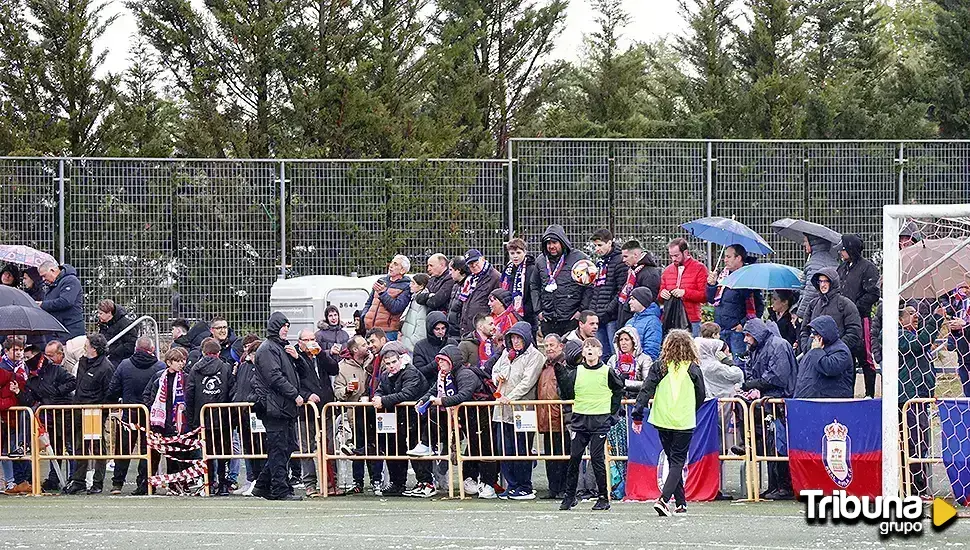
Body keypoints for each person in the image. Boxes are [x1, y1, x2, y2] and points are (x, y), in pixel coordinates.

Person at [631, 330, 706, 516]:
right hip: (683, 421)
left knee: (674, 461)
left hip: (662, 419)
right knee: (677, 461)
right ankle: (664, 500)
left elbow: (645, 391)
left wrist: (637, 415)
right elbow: (701, 395)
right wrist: (689, 409)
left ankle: (681, 503)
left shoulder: (659, 367)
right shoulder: (693, 369)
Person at [416, 344, 499, 499]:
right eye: (438, 360)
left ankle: (488, 483)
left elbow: (464, 395)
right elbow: (433, 391)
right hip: (466, 415)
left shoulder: (465, 374)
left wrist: (442, 401)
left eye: (442, 360)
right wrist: (422, 400)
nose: (439, 363)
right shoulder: (444, 376)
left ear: (451, 361)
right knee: (473, 447)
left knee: (484, 447)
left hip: (481, 414)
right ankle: (469, 478)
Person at [556, 338, 625, 511]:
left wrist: (612, 413)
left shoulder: (607, 371)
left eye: (594, 347)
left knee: (597, 458)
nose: (590, 350)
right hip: (580, 420)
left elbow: (618, 389)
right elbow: (566, 393)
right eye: (587, 347)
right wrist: (560, 374)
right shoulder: (577, 371)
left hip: (600, 420)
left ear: (600, 352)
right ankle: (569, 496)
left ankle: (603, 497)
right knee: (575, 458)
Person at [741, 319, 797, 500]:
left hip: (779, 401)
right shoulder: (759, 348)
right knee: (770, 445)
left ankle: (783, 485)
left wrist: (752, 385)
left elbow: (778, 376)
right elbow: (755, 372)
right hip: (769, 401)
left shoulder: (777, 346)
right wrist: (753, 387)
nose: (745, 340)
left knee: (779, 445)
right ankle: (775, 485)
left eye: (748, 335)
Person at [251, 312, 304, 501]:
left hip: (282, 407)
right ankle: (279, 489)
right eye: (283, 326)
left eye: (288, 327)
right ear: (275, 327)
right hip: (274, 407)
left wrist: (298, 358)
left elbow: (300, 373)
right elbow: (274, 377)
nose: (286, 330)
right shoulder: (268, 349)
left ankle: (263, 485)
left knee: (285, 447)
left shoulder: (281, 348)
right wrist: (294, 394)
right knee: (280, 448)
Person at [491, 321, 545, 500]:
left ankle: (525, 485)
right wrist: (496, 377)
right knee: (504, 449)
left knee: (521, 448)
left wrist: (510, 398)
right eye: (512, 338)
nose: (515, 341)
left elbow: (527, 382)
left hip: (523, 410)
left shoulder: (535, 356)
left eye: (518, 338)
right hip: (502, 410)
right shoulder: (507, 353)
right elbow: (495, 369)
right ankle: (512, 485)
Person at [107, 337, 165, 495]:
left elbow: (113, 389)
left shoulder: (125, 365)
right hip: (152, 416)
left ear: (136, 348)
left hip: (129, 413)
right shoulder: (160, 367)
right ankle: (146, 483)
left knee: (123, 449)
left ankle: (117, 484)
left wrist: (117, 400)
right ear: (152, 349)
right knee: (150, 450)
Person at [373, 349, 433, 496]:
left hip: (416, 416)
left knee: (416, 447)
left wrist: (383, 400)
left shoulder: (411, 372)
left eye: (394, 362)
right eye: (388, 363)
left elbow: (408, 394)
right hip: (398, 417)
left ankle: (425, 482)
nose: (391, 366)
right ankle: (397, 483)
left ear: (400, 360)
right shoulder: (386, 375)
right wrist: (377, 397)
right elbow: (380, 389)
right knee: (394, 448)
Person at [899, 305, 944, 496]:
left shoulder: (914, 334)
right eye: (910, 313)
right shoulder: (897, 335)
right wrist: (936, 320)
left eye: (916, 312)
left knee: (921, 443)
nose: (915, 315)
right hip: (907, 399)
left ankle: (918, 487)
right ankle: (914, 489)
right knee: (913, 443)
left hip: (920, 398)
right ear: (900, 318)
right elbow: (917, 344)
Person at [63, 334, 115, 495]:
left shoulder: (106, 367)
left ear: (94, 348)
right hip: (79, 409)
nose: (84, 347)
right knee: (79, 446)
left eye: (87, 344)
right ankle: (79, 481)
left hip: (95, 412)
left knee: (97, 447)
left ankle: (97, 482)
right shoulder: (83, 362)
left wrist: (102, 410)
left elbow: (109, 393)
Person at [604, 326, 651, 500]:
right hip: (617, 412)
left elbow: (647, 384)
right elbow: (607, 381)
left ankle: (638, 484)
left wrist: (624, 384)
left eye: (627, 340)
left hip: (638, 411)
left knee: (636, 450)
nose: (624, 343)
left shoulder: (644, 359)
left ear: (634, 341)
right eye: (621, 340)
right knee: (617, 451)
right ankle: (618, 486)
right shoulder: (612, 360)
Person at [24, 340, 76, 492]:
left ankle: (73, 477)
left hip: (65, 412)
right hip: (49, 415)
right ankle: (55, 478)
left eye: (28, 357)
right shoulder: (32, 377)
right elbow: (32, 397)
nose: (26, 361)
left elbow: (72, 382)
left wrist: (57, 392)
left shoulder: (55, 370)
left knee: (70, 446)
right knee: (54, 447)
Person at [185, 338, 234, 496]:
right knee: (223, 452)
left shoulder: (195, 369)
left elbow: (189, 395)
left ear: (203, 352)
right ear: (218, 353)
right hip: (222, 418)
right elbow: (232, 392)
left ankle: (209, 482)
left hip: (202, 418)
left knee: (207, 452)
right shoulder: (226, 368)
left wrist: (193, 419)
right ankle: (223, 484)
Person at [333, 335, 381, 494]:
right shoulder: (342, 367)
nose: (367, 346)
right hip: (354, 412)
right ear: (354, 350)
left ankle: (376, 480)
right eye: (363, 345)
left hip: (374, 411)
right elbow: (337, 390)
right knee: (358, 447)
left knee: (375, 446)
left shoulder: (373, 360)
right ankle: (358, 481)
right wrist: (346, 391)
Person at [294, 328, 339, 496]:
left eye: (313, 338)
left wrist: (321, 354)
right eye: (306, 339)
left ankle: (331, 483)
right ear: (300, 342)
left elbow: (334, 369)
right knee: (306, 448)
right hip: (306, 411)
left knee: (329, 447)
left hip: (326, 408)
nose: (311, 342)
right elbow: (294, 383)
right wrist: (306, 396)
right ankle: (310, 483)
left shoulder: (320, 355)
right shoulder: (296, 359)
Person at [142, 347, 192, 495]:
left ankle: (179, 483)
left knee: (179, 455)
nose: (181, 364)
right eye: (177, 361)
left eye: (182, 361)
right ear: (169, 362)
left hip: (179, 422)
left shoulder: (186, 378)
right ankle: (152, 484)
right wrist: (153, 409)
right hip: (161, 422)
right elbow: (148, 394)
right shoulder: (159, 378)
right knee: (159, 455)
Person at [837, 234, 880, 398]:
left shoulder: (868, 268)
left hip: (862, 320)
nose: (840, 251)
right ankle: (847, 396)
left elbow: (873, 294)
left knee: (865, 358)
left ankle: (869, 394)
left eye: (843, 248)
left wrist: (854, 308)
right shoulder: (841, 268)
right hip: (843, 322)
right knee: (846, 359)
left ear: (850, 248)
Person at [531, 225, 591, 337]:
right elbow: (534, 285)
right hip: (548, 318)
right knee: (552, 351)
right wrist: (538, 310)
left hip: (571, 317)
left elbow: (589, 286)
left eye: (554, 242)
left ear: (562, 242)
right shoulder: (541, 260)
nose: (551, 246)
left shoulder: (579, 258)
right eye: (548, 243)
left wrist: (581, 311)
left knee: (571, 351)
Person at [707, 244, 764, 358]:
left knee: (739, 362)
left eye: (728, 257)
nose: (725, 260)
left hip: (736, 332)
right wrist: (711, 285)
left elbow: (757, 306)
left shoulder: (748, 278)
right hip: (720, 328)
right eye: (725, 256)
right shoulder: (723, 276)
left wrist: (742, 324)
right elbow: (711, 299)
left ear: (738, 258)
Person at [796, 268, 863, 357]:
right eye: (820, 281)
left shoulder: (845, 304)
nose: (822, 285)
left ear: (833, 283)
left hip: (838, 360)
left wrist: (837, 350)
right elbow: (804, 330)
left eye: (826, 281)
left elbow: (854, 332)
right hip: (814, 356)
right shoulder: (813, 304)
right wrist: (807, 348)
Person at [537, 334, 570, 500]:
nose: (549, 348)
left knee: (563, 455)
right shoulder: (544, 366)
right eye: (546, 345)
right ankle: (553, 488)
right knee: (550, 456)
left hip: (561, 417)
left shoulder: (565, 364)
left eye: (552, 345)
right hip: (546, 416)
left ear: (560, 346)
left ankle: (563, 488)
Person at [794, 316, 854, 398]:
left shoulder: (841, 351)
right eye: (811, 332)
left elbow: (829, 368)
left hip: (829, 405)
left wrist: (817, 351)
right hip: (807, 402)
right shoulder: (813, 349)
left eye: (815, 332)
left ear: (824, 333)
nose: (811, 336)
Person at [589, 230, 627, 358]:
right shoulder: (600, 263)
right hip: (598, 316)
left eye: (600, 245)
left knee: (614, 352)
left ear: (609, 243)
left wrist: (608, 310)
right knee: (601, 353)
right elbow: (596, 289)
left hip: (612, 317)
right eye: (595, 246)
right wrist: (593, 311)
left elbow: (622, 290)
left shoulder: (620, 261)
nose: (597, 249)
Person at [660, 238, 710, 336]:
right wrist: (662, 294)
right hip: (671, 319)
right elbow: (660, 296)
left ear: (686, 252)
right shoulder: (667, 270)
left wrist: (685, 293)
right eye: (671, 256)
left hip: (692, 320)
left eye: (676, 255)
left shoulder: (699, 268)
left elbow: (704, 296)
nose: (673, 259)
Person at [0, 337, 30, 494]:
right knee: (5, 449)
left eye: (20, 350)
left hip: (17, 412)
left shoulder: (23, 367)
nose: (19, 353)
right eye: (15, 350)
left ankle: (18, 481)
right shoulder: (3, 367)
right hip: (5, 412)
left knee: (15, 447)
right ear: (6, 351)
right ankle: (9, 481)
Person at [362, 255, 413, 340]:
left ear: (402, 270)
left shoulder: (406, 286)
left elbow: (396, 308)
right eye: (392, 262)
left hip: (388, 332)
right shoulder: (382, 280)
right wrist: (364, 317)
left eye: (395, 264)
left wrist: (383, 293)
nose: (391, 265)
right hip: (370, 330)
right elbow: (369, 303)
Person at [616, 240, 662, 327]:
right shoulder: (632, 272)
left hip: (639, 321)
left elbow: (647, 302)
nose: (623, 260)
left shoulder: (649, 274)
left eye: (626, 256)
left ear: (636, 255)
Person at [796, 235, 840, 322]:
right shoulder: (833, 261)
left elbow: (810, 291)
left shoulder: (814, 263)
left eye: (806, 241)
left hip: (816, 312)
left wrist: (800, 314)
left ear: (813, 243)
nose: (804, 244)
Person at [457, 249, 502, 336]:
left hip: (483, 329)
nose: (473, 265)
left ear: (482, 259)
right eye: (470, 264)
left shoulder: (495, 277)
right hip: (468, 328)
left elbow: (499, 306)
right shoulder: (470, 279)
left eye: (475, 262)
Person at [37, 260, 85, 340]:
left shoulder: (71, 280)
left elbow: (66, 301)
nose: (43, 279)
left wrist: (42, 305)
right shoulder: (52, 286)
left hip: (71, 330)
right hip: (58, 330)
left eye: (44, 275)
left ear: (52, 270)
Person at [694, 325, 743, 399]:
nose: (719, 336)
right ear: (714, 335)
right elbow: (737, 375)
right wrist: (727, 361)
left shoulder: (695, 361)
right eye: (718, 334)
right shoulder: (714, 366)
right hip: (718, 404)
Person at [498, 238, 537, 327]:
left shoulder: (532, 269)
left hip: (527, 315)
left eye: (518, 253)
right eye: (512, 253)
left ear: (525, 252)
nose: (515, 256)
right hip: (509, 314)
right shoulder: (507, 270)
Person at [412, 312, 451, 384]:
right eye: (437, 329)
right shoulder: (420, 346)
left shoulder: (452, 343)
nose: (441, 332)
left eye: (443, 328)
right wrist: (437, 362)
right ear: (430, 329)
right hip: (429, 384)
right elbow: (418, 371)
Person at [96, 299, 137, 366]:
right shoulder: (103, 324)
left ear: (109, 313)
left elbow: (130, 344)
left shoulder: (125, 324)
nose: (98, 315)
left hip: (120, 358)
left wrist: (113, 352)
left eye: (101, 313)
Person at [624, 287, 662, 356]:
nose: (629, 302)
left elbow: (652, 350)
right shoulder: (629, 322)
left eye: (633, 299)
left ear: (642, 301)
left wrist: (639, 363)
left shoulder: (653, 322)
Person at [400, 273, 430, 352]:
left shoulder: (421, 302)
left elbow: (421, 324)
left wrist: (413, 340)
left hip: (412, 345)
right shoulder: (415, 298)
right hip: (407, 341)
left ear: (421, 286)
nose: (410, 285)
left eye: (413, 283)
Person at [446, 256, 470, 337]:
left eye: (451, 270)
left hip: (459, 332)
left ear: (459, 270)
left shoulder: (469, 286)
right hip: (451, 330)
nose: (449, 273)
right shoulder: (456, 285)